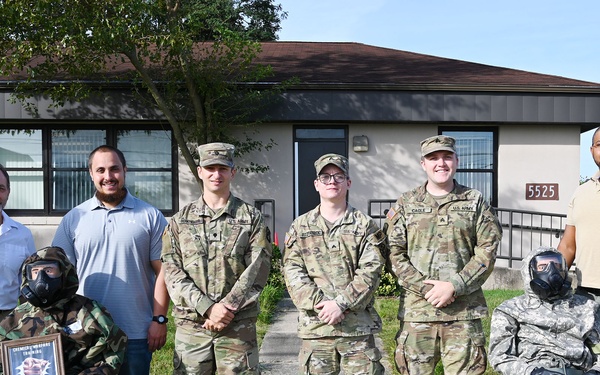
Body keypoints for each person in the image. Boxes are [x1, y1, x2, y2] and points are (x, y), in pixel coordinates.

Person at [385, 135, 502, 374]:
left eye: (447, 157)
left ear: (456, 161)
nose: (441, 163)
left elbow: (487, 250)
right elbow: (394, 253)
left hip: (463, 314)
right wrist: (427, 289)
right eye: (433, 158)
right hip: (418, 314)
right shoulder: (407, 203)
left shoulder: (474, 201)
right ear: (423, 164)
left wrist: (455, 286)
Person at [52, 145, 169, 375]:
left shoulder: (150, 216)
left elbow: (164, 271)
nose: (108, 176)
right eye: (101, 170)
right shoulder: (74, 218)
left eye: (114, 169)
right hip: (86, 332)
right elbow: (60, 274)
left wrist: (160, 319)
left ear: (124, 170)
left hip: (135, 333)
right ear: (91, 174)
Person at [161, 142, 272, 374]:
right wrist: (207, 308)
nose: (216, 174)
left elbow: (257, 267)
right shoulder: (179, 221)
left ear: (233, 172)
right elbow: (172, 271)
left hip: (237, 327)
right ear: (200, 172)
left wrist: (227, 308)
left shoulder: (251, 218)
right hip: (193, 326)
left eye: (223, 168)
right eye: (210, 168)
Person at [283, 153, 386, 374]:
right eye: (326, 177)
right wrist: (322, 306)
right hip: (317, 328)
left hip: (356, 331)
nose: (332, 182)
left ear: (348, 183)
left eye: (339, 176)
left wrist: (341, 304)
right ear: (316, 184)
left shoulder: (365, 225)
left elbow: (371, 271)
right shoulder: (300, 226)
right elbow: (292, 271)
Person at [0, 246, 128, 375]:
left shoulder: (89, 311)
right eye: (35, 271)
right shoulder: (16, 318)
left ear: (64, 273)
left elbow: (113, 349)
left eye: (49, 270)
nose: (41, 277)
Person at [489, 246, 600, 375]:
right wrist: (533, 372)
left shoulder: (588, 307)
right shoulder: (510, 310)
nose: (552, 271)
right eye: (542, 267)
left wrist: (595, 371)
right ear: (530, 272)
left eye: (557, 266)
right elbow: (499, 356)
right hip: (534, 370)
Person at [558, 126, 600, 302]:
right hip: (586, 295)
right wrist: (551, 274)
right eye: (599, 144)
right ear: (592, 151)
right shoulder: (580, 193)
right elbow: (568, 246)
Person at [0, 164, 36, 321]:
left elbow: (30, 282)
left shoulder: (23, 235)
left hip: (8, 319)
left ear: (8, 192)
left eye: (1, 188)